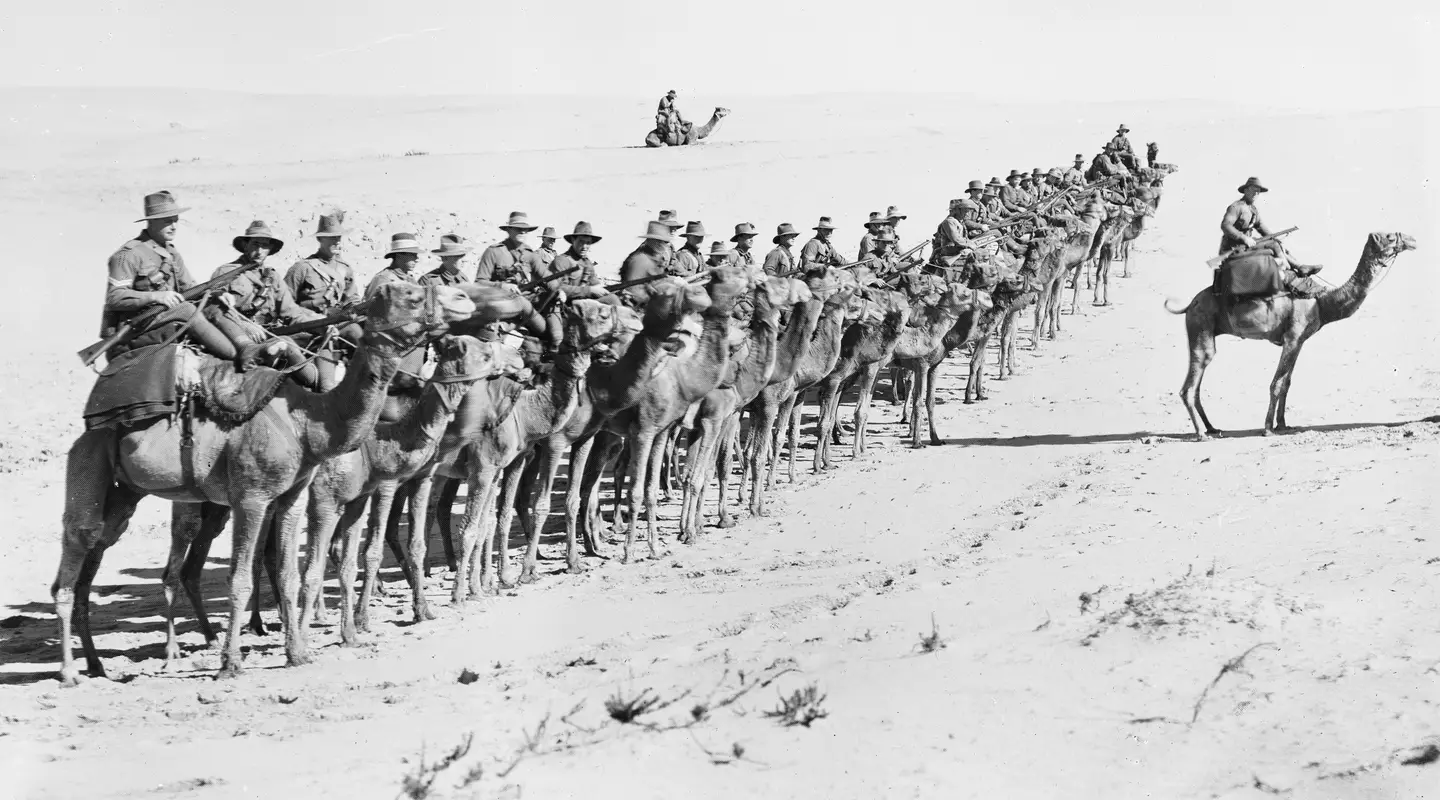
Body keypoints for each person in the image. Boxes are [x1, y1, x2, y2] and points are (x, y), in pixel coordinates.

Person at [101, 190, 238, 359]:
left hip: (163, 317)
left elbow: (191, 287)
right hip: (137, 324)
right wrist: (156, 297)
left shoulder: (171, 253)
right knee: (187, 310)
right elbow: (114, 297)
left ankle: (249, 348)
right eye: (167, 221)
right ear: (152, 222)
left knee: (213, 306)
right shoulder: (127, 255)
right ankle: (235, 357)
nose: (174, 226)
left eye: (176, 220)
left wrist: (218, 294)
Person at [212, 221, 325, 386]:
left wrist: (322, 325)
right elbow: (215, 310)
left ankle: (319, 386)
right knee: (287, 345)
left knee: (318, 342)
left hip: (269, 334)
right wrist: (245, 326)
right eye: (255, 244)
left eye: (264, 246)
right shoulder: (226, 272)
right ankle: (318, 386)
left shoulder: (273, 278)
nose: (259, 251)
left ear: (270, 249)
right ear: (245, 244)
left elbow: (292, 314)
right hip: (239, 338)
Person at [1219, 177, 1323, 295]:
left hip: (1246, 246)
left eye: (1258, 191)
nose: (1256, 193)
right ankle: (1289, 267)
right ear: (1246, 190)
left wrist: (1276, 238)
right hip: (1233, 249)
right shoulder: (1236, 207)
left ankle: (1299, 267)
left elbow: (1262, 228)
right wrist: (1244, 238)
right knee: (1273, 245)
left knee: (1276, 244)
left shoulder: (1253, 210)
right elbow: (1226, 226)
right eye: (1253, 190)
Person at [543, 221, 612, 301]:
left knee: (613, 299)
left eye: (588, 243)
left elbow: (596, 285)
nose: (584, 247)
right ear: (573, 240)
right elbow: (558, 288)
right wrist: (589, 290)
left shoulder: (587, 263)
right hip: (563, 306)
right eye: (581, 242)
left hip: (584, 304)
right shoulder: (562, 260)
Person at [476, 211, 544, 284]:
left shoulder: (530, 254)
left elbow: (545, 275)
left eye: (525, 229)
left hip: (528, 294)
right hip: (502, 294)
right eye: (519, 229)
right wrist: (501, 286)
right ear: (509, 230)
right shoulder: (493, 251)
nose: (523, 232)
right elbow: (480, 282)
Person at [619, 220, 674, 306]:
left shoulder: (657, 258)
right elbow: (633, 291)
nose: (662, 245)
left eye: (664, 242)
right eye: (659, 241)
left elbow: (659, 280)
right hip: (635, 304)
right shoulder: (639, 260)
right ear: (650, 240)